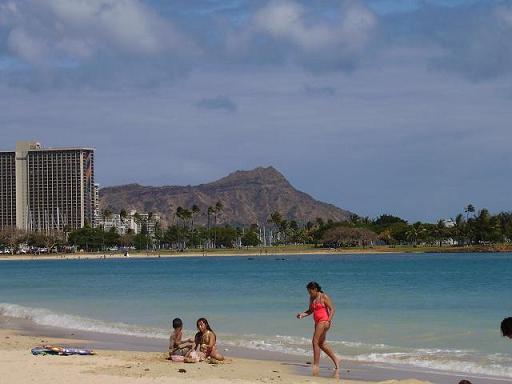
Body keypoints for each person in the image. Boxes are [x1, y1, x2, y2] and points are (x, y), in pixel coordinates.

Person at [297, 281, 340, 378]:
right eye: (308, 292)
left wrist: (328, 320)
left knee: (315, 341)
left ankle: (316, 365)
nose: (309, 293)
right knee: (321, 343)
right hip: (317, 322)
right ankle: (336, 360)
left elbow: (332, 309)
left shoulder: (324, 296)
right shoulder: (312, 298)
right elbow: (310, 311)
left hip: (324, 321)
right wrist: (301, 315)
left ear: (315, 289)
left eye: (310, 291)